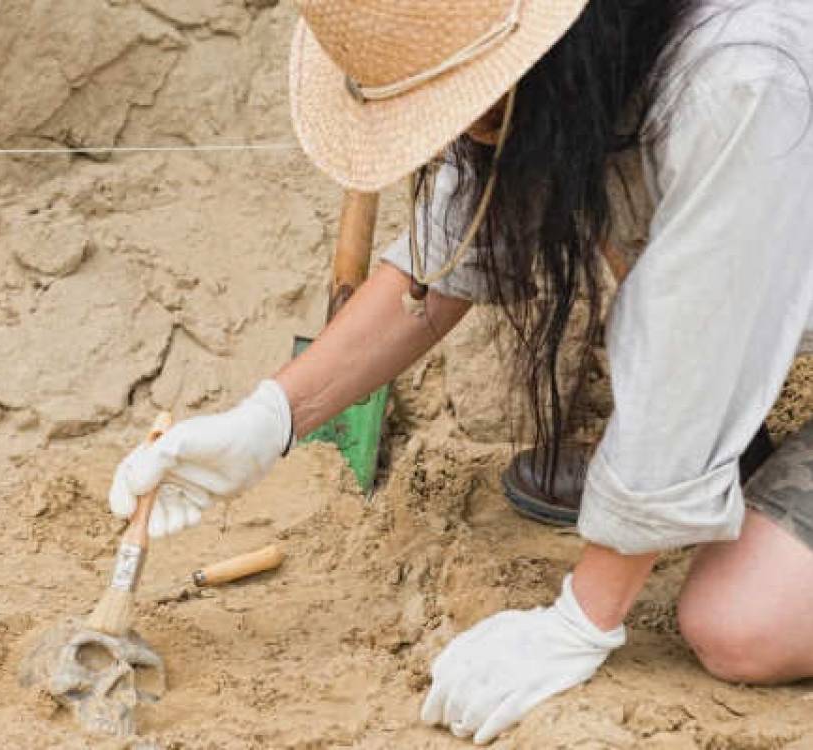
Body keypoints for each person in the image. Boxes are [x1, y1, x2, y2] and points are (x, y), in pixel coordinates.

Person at [108, 0, 813, 744]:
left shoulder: (740, 80)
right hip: (753, 294)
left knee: (744, 625)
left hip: (734, 291)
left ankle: (680, 492)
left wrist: (583, 617)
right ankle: (688, 487)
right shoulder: (577, 50)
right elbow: (454, 251)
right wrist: (266, 422)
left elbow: (693, 346)